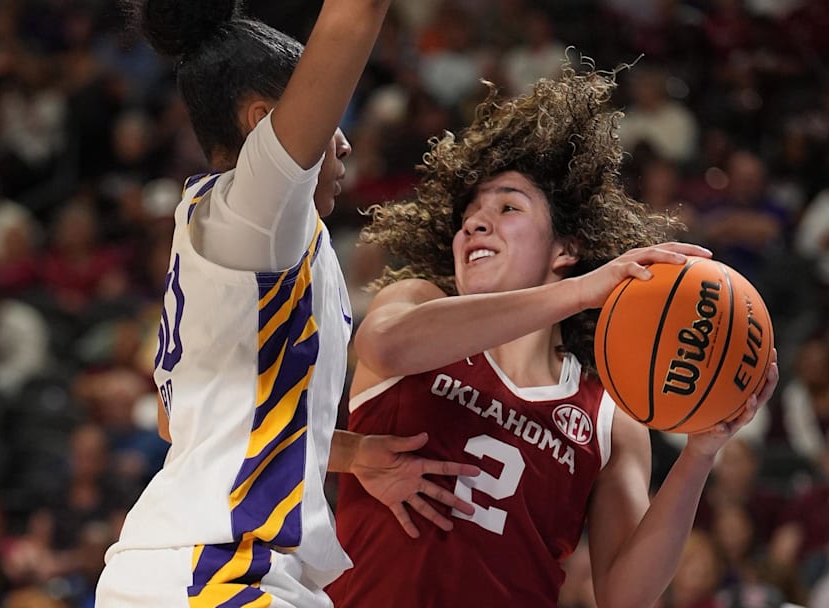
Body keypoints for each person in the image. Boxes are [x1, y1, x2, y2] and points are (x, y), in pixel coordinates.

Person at [327, 62, 779, 607]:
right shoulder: (418, 301)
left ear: (565, 251)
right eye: (468, 213)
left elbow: (625, 595)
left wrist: (701, 453)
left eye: (507, 206)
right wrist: (586, 291)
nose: (474, 222)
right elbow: (384, 346)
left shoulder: (609, 415)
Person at [96, 1, 477, 606]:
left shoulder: (243, 233)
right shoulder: (261, 212)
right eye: (330, 118)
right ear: (263, 121)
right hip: (216, 571)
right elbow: (356, 15)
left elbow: (182, 423)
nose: (345, 143)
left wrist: (356, 454)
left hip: (205, 570)